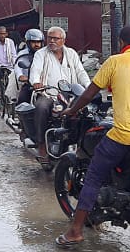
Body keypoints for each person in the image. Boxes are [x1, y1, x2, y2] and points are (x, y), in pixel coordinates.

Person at [55, 25, 130, 248]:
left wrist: (72, 110)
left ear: (121, 43)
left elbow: (89, 93)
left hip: (127, 132)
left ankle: (75, 231)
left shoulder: (115, 62)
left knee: (94, 175)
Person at [28, 26, 89, 163]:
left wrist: (88, 87)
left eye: (56, 38)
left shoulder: (71, 53)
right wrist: (36, 82)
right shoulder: (41, 54)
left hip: (71, 94)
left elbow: (80, 72)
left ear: (63, 40)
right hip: (49, 93)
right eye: (50, 38)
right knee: (41, 107)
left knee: (86, 113)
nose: (52, 41)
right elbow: (35, 70)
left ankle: (81, 145)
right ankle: (41, 144)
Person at [7, 28, 44, 105]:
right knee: (22, 98)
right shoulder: (23, 54)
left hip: (42, 82)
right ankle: (13, 99)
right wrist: (20, 76)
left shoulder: (45, 54)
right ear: (28, 43)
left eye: (38, 42)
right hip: (27, 81)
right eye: (33, 42)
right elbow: (18, 66)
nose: (36, 45)